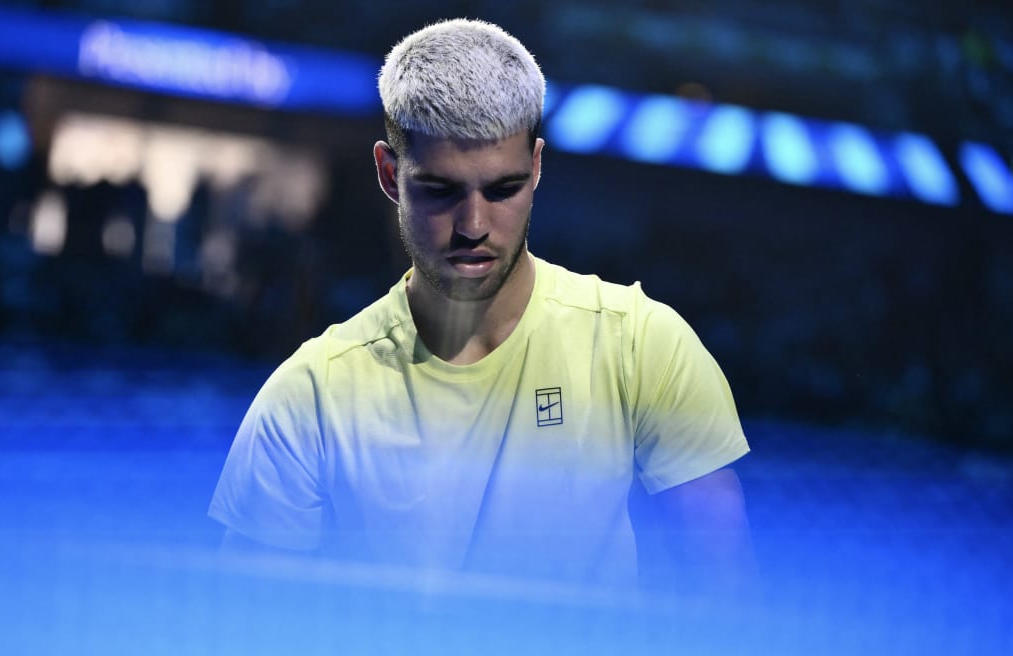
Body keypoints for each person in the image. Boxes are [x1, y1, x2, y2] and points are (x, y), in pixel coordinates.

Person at [209, 18, 756, 599]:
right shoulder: (309, 395)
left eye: (502, 190)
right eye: (441, 191)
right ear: (390, 174)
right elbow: (246, 624)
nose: (474, 226)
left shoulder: (641, 344)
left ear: (537, 168)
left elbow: (728, 605)